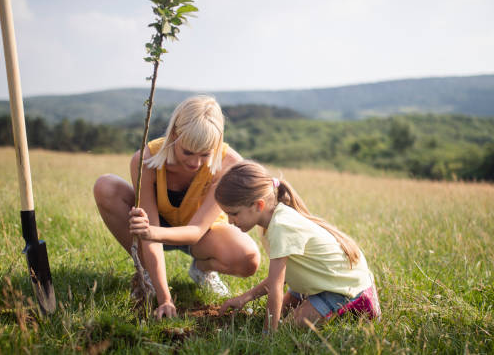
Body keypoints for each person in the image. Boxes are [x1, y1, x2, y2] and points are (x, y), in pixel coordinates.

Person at [94, 95, 260, 319]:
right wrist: (165, 299)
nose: (194, 163)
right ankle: (147, 275)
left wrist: (150, 232)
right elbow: (149, 230)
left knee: (248, 258)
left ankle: (202, 271)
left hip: (201, 234)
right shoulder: (146, 159)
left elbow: (196, 231)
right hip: (156, 227)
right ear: (174, 135)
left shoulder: (230, 164)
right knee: (106, 186)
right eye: (188, 152)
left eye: (205, 154)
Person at [215, 161, 380, 332]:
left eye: (233, 213)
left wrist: (268, 335)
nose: (230, 221)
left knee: (288, 329)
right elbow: (281, 277)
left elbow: (276, 287)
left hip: (341, 287)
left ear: (258, 205)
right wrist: (245, 297)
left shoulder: (281, 226)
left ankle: (362, 300)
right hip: (314, 279)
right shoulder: (268, 222)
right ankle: (312, 300)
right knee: (279, 313)